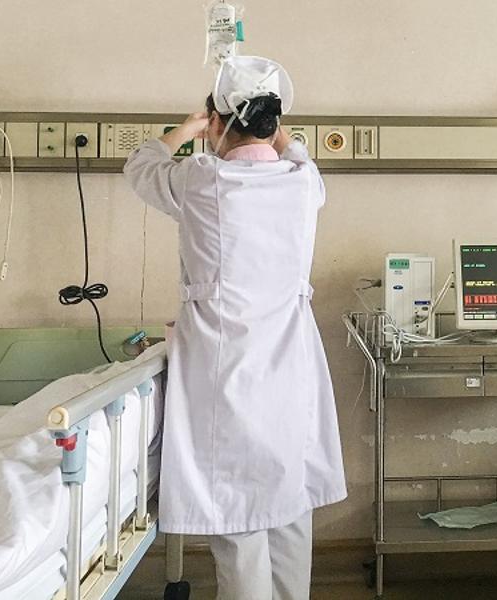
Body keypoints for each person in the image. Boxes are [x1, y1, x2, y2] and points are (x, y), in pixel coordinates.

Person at [123, 56, 347, 600]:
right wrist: (273, 130)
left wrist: (188, 129)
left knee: (238, 510)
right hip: (290, 363)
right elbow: (295, 151)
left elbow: (141, 167)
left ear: (218, 122)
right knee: (289, 504)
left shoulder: (202, 179)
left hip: (226, 365)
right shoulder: (304, 182)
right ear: (275, 123)